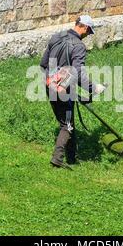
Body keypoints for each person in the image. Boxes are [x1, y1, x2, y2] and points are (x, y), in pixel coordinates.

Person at [40, 15, 106, 169]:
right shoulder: (78, 46)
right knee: (66, 125)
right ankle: (57, 159)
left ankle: (71, 157)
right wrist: (93, 88)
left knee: (67, 122)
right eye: (89, 32)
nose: (87, 35)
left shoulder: (56, 37)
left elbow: (43, 64)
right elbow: (77, 72)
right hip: (64, 91)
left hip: (49, 85)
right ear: (84, 27)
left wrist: (53, 80)